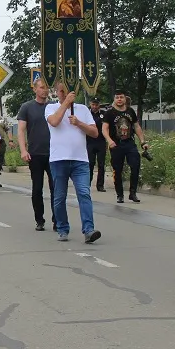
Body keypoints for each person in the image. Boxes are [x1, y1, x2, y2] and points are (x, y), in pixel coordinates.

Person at [46, 81, 102, 243]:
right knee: (59, 196)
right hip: (59, 159)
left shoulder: (83, 109)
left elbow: (94, 133)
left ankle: (89, 230)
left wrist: (79, 123)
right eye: (61, 91)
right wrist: (65, 104)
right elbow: (54, 122)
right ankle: (63, 229)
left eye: (68, 91)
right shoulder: (51, 108)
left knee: (84, 194)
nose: (65, 94)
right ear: (56, 92)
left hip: (80, 160)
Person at [17, 78, 55, 231]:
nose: (44, 90)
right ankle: (39, 219)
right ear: (35, 89)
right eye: (41, 87)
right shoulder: (27, 107)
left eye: (46, 88)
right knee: (37, 187)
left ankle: (57, 219)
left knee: (56, 188)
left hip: (53, 153)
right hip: (35, 153)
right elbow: (21, 130)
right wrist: (23, 150)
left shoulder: (53, 106)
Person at [102, 89, 148, 204]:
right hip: (116, 144)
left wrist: (143, 141)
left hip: (129, 143)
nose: (119, 99)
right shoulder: (109, 113)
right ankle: (120, 194)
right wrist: (109, 140)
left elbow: (136, 127)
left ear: (125, 98)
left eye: (121, 97)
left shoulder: (130, 111)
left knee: (135, 165)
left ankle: (133, 193)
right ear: (114, 99)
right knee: (117, 170)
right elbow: (104, 129)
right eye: (117, 97)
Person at [87, 98, 107, 192]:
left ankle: (100, 185)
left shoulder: (103, 114)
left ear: (99, 105)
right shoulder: (87, 113)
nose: (94, 107)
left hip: (101, 142)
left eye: (96, 105)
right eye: (93, 104)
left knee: (101, 164)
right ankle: (88, 184)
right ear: (90, 104)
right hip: (90, 142)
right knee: (90, 164)